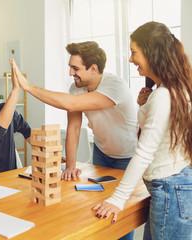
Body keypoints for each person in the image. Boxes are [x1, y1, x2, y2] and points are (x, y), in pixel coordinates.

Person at [11, 42, 138, 240]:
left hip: (129, 156)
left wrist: (27, 87)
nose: (71, 73)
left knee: (120, 212)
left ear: (94, 68)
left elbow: (70, 105)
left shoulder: (115, 86)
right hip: (102, 152)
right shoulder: (76, 87)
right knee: (100, 207)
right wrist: (70, 166)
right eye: (70, 67)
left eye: (76, 68)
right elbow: (74, 127)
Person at [92, 21, 192, 240]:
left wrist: (117, 200)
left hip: (169, 189)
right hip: (172, 186)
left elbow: (145, 152)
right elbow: (161, 135)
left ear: (151, 53)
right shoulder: (172, 90)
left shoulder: (164, 96)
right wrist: (144, 106)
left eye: (134, 52)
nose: (130, 59)